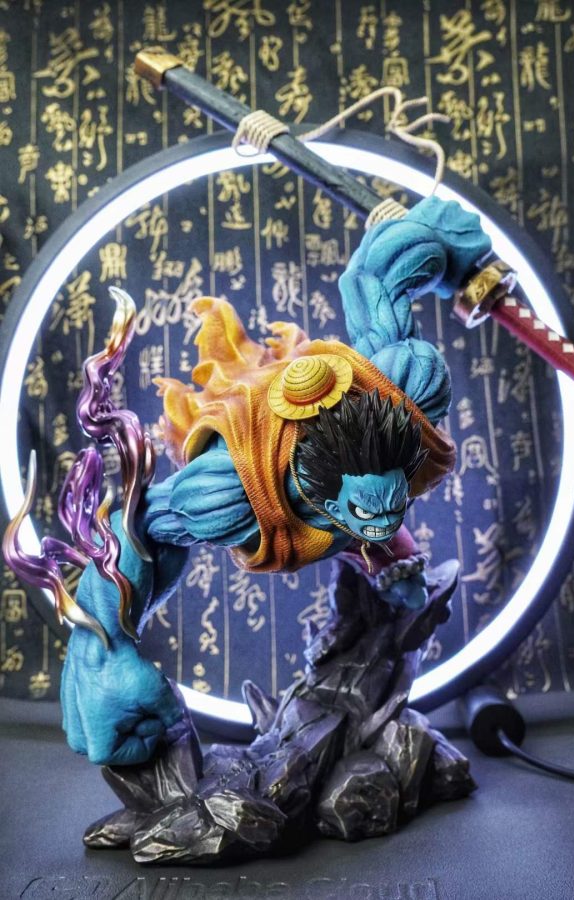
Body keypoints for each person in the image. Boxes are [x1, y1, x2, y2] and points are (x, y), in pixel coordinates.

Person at [57, 195, 491, 765]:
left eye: (395, 499)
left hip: (348, 496)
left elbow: (372, 277)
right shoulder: (234, 490)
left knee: (402, 576)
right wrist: (99, 650)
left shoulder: (404, 386)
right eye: (372, 513)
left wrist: (446, 243)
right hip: (272, 467)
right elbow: (136, 529)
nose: (386, 518)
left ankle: (383, 552)